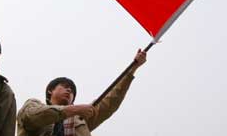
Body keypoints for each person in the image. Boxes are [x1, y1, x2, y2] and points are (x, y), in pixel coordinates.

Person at [17, 49, 147, 136]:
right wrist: (73, 109)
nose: (69, 90)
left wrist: (132, 69)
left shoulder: (79, 119)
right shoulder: (33, 104)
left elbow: (109, 101)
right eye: (64, 86)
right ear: (50, 90)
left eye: (72, 90)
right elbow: (31, 117)